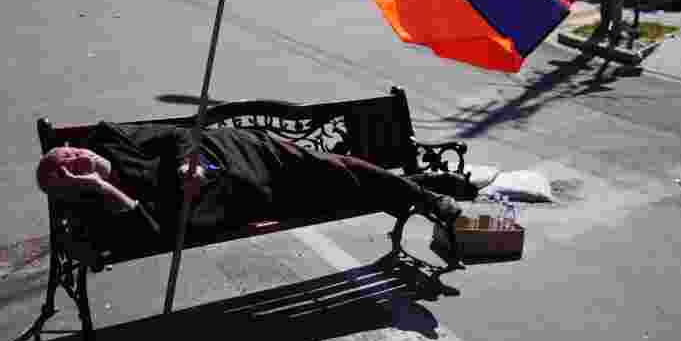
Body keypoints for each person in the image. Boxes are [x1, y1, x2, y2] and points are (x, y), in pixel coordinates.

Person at [36, 123, 462, 247]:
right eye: (66, 173)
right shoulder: (102, 209)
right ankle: (424, 185)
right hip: (249, 197)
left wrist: (188, 163)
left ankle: (431, 198)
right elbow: (152, 233)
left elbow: (176, 134)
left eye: (66, 155)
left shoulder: (109, 139)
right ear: (72, 193)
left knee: (342, 170)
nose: (73, 162)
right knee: (346, 189)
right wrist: (103, 187)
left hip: (242, 152)